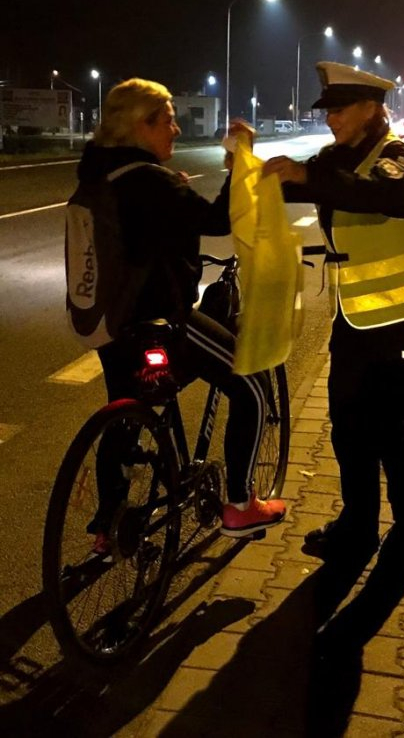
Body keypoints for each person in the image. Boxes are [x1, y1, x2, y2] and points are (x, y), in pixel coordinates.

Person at [78, 78, 286, 548]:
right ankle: (239, 505)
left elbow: (142, 233)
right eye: (167, 119)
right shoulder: (149, 180)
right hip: (161, 321)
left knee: (124, 411)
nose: (175, 127)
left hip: (113, 327)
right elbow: (216, 220)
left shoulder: (100, 175)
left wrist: (173, 193)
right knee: (252, 381)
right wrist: (238, 164)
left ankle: (106, 523)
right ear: (141, 125)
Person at [263, 62, 404, 561]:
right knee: (347, 425)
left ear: (370, 108)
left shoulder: (395, 157)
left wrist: (308, 176)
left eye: (339, 110)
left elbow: (395, 196)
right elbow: (304, 186)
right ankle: (357, 525)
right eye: (328, 110)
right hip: (355, 319)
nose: (331, 119)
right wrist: (256, 177)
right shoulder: (337, 159)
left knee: (393, 429)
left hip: (401, 320)